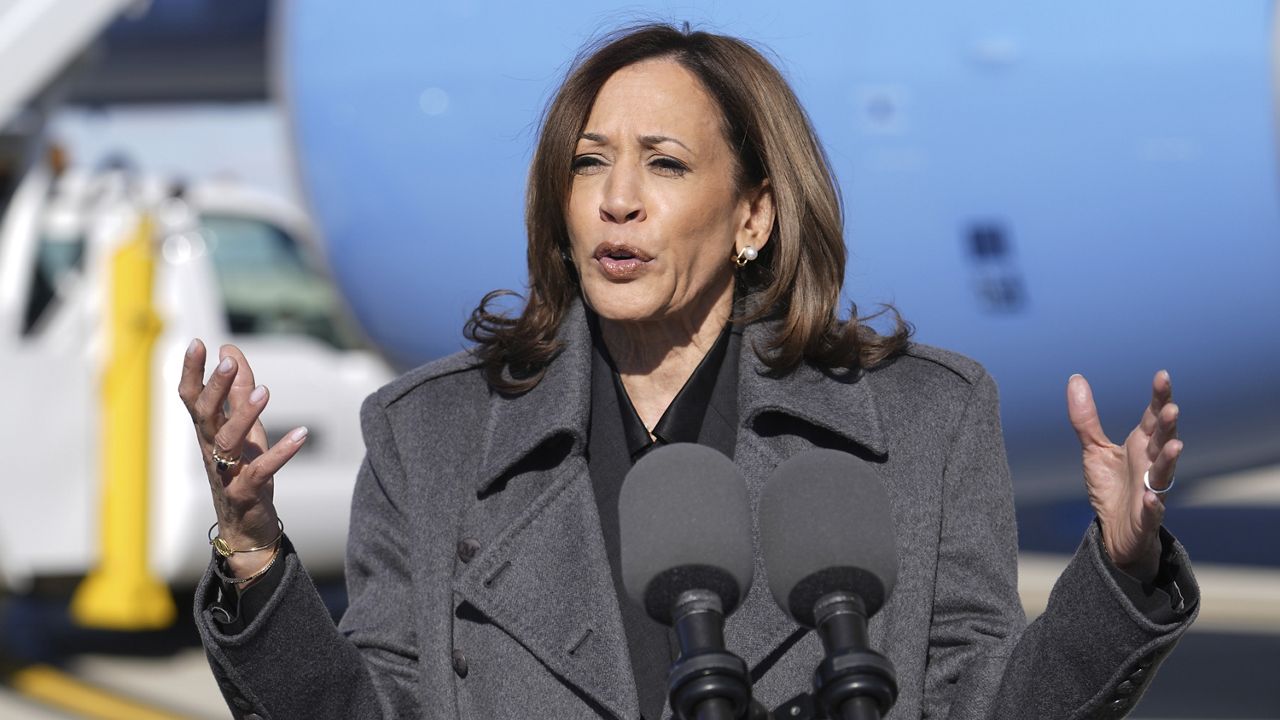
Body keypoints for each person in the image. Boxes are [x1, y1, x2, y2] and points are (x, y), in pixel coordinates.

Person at [181, 23, 1196, 720]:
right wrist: (254, 556)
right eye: (588, 163)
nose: (616, 200)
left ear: (752, 215)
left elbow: (988, 705)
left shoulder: (923, 421)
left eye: (663, 164)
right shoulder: (432, 436)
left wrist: (1120, 570)